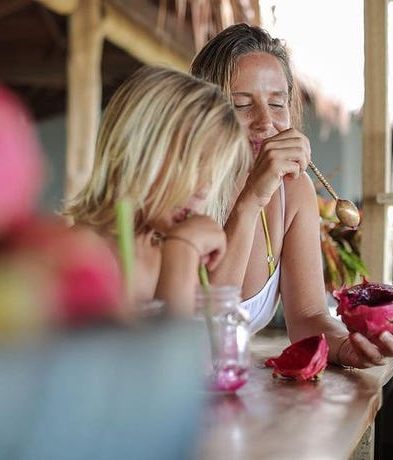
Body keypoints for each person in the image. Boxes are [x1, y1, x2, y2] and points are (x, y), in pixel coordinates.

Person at [189, 23, 393, 367]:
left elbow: (309, 315)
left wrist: (347, 345)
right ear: (203, 112)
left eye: (278, 104)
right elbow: (203, 329)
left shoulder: (293, 189)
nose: (266, 122)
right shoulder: (180, 189)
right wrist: (253, 198)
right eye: (241, 104)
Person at [63, 65, 252, 315]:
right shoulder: (80, 257)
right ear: (137, 150)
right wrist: (183, 250)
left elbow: (198, 349)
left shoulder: (162, 253)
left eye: (213, 172)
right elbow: (167, 352)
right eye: (194, 163)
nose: (205, 188)